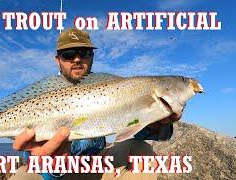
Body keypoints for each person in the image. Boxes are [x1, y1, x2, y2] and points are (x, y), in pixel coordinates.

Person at [10, 28, 181, 180]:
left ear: (92, 56)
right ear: (58, 60)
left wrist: (157, 124)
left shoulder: (113, 88)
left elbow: (133, 126)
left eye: (83, 53)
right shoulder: (40, 96)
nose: (77, 59)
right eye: (68, 54)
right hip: (50, 174)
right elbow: (33, 153)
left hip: (97, 164)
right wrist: (54, 168)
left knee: (140, 151)